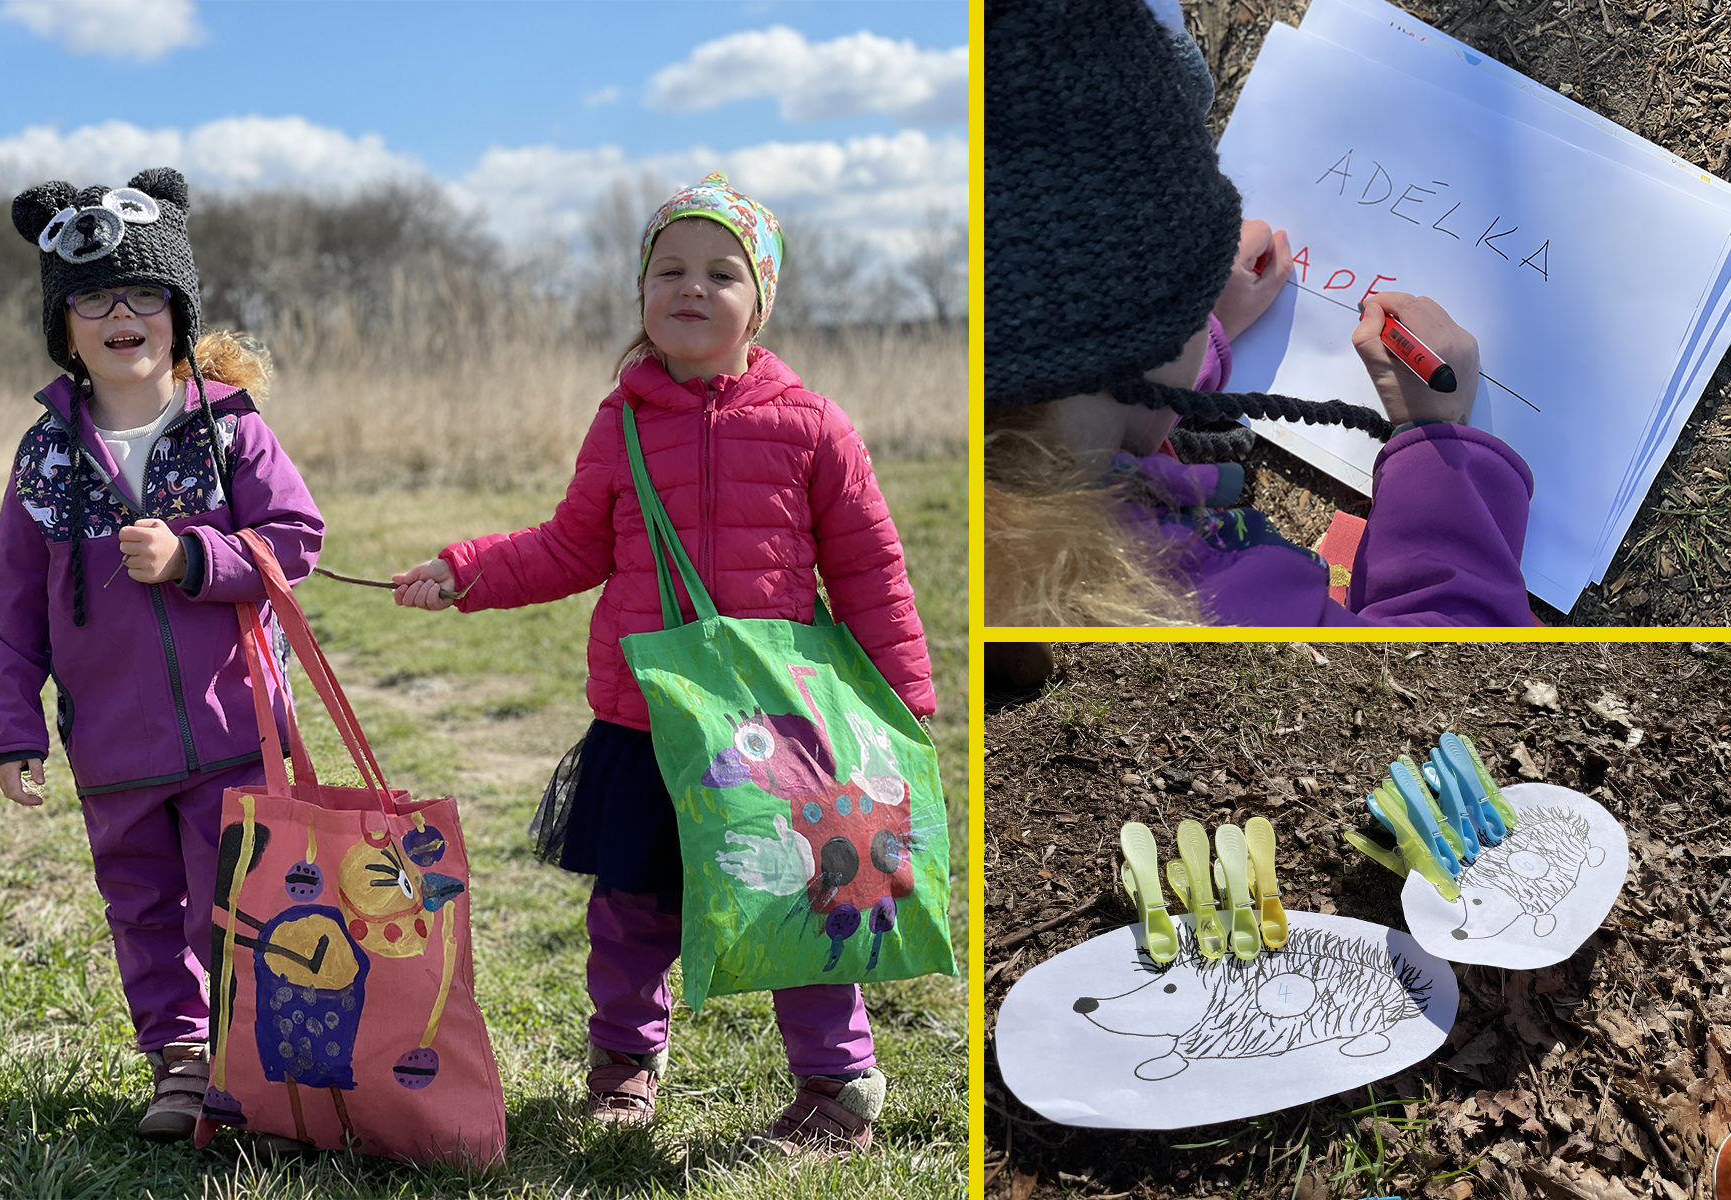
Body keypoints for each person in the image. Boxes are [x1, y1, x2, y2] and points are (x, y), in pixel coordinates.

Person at [392, 174, 935, 1154]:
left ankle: (836, 1083)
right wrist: (464, 571)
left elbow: (871, 567)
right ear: (643, 293)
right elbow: (569, 548)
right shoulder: (623, 423)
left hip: (781, 727)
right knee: (631, 908)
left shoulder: (812, 425)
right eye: (670, 269)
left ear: (758, 302)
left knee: (806, 902)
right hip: (646, 717)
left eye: (721, 272)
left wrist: (902, 698)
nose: (693, 287)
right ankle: (625, 1064)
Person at [984, 0, 1536, 628]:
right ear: (1136, 343)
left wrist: (1207, 328)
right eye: (1192, 289)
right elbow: (1452, 643)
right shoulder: (1194, 596)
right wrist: (1441, 440)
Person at [0, 169, 323, 1141]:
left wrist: (195, 558)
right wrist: (13, 730)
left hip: (233, 732)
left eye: (144, 294)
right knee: (143, 909)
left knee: (242, 903)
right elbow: (10, 610)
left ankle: (251, 1061)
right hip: (113, 749)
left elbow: (296, 540)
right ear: (66, 325)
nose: (121, 312)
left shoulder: (232, 431)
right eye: (93, 295)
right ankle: (178, 1059)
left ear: (177, 313)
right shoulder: (44, 457)